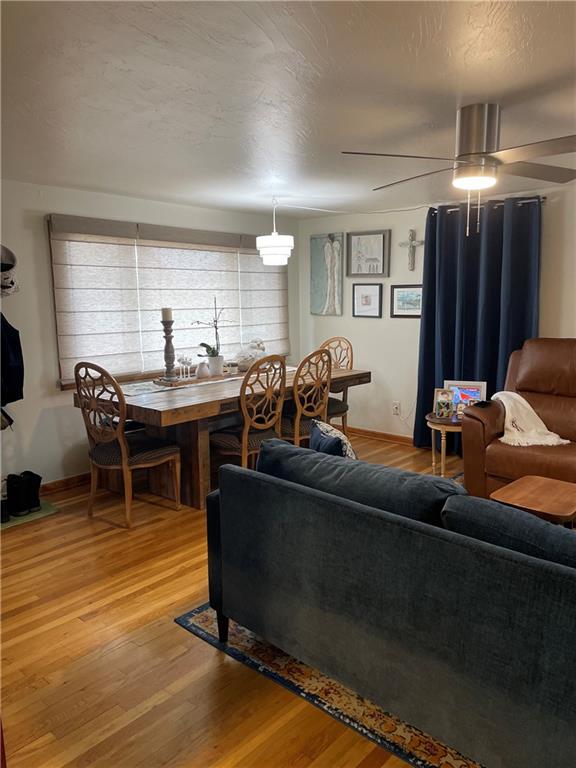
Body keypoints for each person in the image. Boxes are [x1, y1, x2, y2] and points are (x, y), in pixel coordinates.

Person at [321, 234, 341, 315]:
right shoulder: (328, 247)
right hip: (331, 268)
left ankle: (334, 305)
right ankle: (330, 305)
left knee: (334, 284)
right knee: (331, 284)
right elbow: (328, 259)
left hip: (334, 267)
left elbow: (335, 256)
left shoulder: (335, 246)